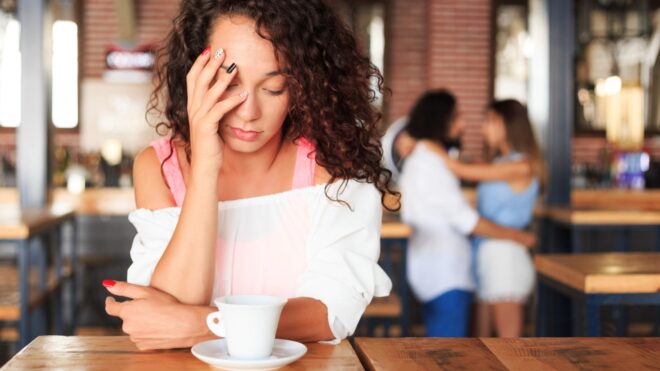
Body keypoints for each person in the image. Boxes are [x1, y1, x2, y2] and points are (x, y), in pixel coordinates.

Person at [102, 0, 395, 350]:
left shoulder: (335, 164)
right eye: (227, 83)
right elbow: (169, 319)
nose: (249, 112)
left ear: (303, 85)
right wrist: (206, 168)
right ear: (196, 75)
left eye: (274, 88)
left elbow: (330, 314)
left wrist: (204, 324)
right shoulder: (160, 167)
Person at [398, 90, 535, 337]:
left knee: (506, 349)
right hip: (457, 270)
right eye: (457, 117)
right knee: (467, 353)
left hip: (500, 260)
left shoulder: (519, 164)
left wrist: (428, 146)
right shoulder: (432, 162)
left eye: (489, 121)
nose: (471, 126)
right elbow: (465, 217)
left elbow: (463, 172)